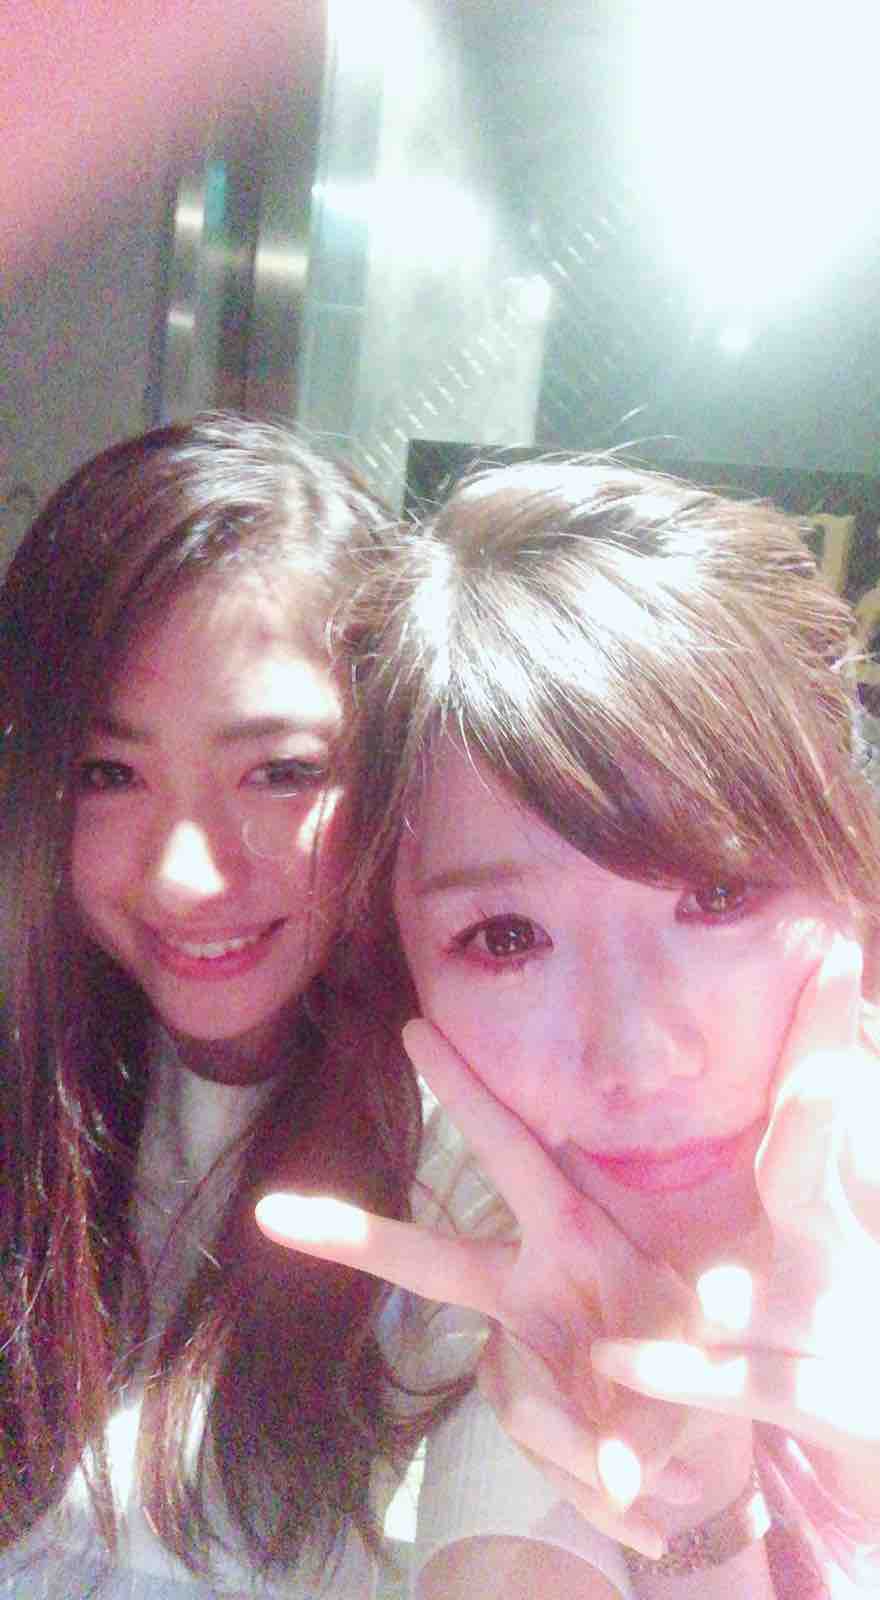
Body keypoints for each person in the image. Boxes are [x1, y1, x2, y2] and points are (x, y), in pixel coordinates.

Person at [257, 458, 880, 1597]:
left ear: (855, 873)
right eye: (507, 937)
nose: (638, 1055)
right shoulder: (537, 1317)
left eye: (717, 894)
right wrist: (696, 1512)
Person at [0, 412, 455, 1597]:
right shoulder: (38, 1085)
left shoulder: (471, 1161)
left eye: (280, 772)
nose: (184, 877)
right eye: (108, 773)